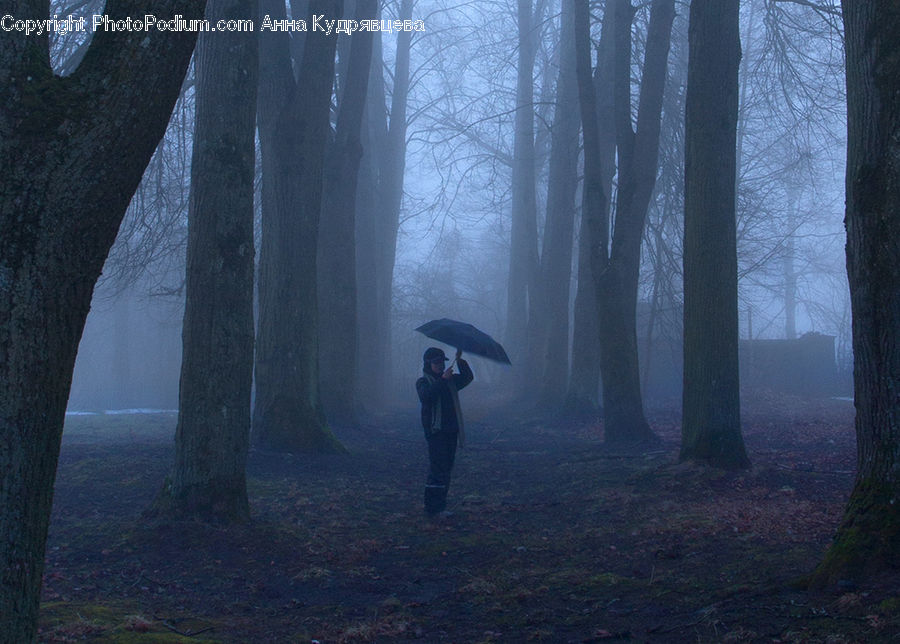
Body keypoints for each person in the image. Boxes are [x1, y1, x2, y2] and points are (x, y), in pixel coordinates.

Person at [416, 346, 473, 520]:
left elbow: (467, 378)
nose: (440, 365)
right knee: (437, 469)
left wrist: (460, 360)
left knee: (446, 468)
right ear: (428, 364)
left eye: (442, 362)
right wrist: (442, 379)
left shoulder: (450, 381)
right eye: (436, 362)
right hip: (435, 432)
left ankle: (440, 506)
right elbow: (427, 398)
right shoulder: (423, 382)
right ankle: (433, 508)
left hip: (451, 430)